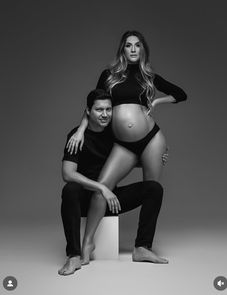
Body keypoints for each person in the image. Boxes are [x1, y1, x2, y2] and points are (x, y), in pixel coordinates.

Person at [66, 31, 187, 264]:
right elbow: (92, 105)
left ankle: (142, 247)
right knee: (102, 188)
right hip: (124, 145)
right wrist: (81, 130)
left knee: (152, 189)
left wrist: (156, 101)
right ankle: (88, 242)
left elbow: (181, 94)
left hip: (152, 140)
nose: (133, 49)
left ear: (143, 49)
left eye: (137, 45)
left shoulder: (148, 77)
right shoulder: (109, 76)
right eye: (128, 46)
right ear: (122, 50)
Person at [59, 89, 168, 276]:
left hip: (111, 201)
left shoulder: (116, 133)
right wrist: (101, 187)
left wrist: (155, 157)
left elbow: (128, 161)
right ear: (88, 111)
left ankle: (142, 247)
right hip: (85, 201)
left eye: (108, 109)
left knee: (154, 189)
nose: (105, 114)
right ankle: (74, 256)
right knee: (70, 189)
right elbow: (68, 174)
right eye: (99, 110)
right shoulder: (77, 136)